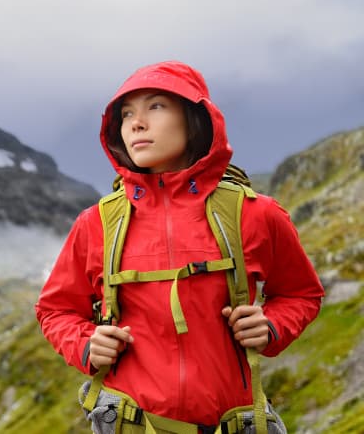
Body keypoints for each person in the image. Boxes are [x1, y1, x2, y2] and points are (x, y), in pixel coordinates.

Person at [35, 60, 324, 432]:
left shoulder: (254, 214)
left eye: (155, 106)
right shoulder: (97, 224)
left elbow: (302, 294)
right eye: (126, 114)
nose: (136, 123)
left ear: (195, 119)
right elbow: (54, 309)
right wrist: (86, 344)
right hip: (130, 424)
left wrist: (272, 325)